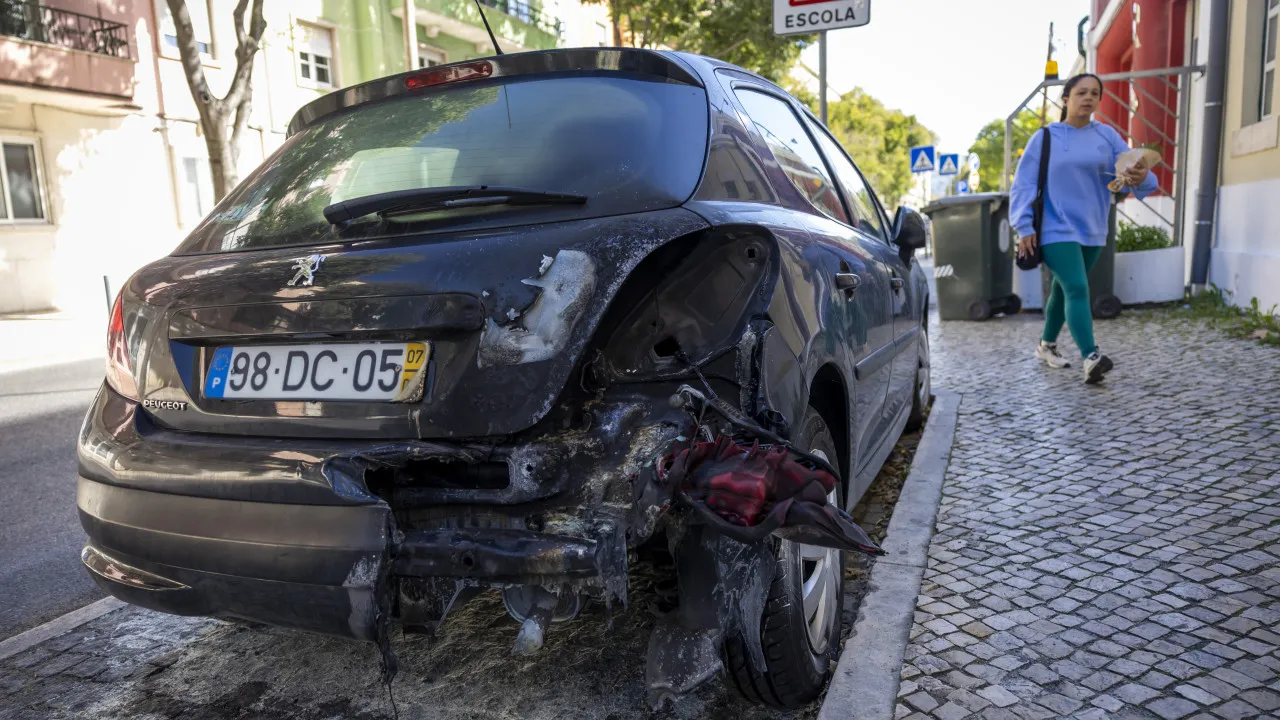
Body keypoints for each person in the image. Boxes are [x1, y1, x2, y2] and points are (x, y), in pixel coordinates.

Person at [1010, 73, 1157, 384]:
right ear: (1066, 98)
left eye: (1095, 93)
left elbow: (1138, 175)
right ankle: (1091, 357)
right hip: (1054, 226)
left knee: (1064, 289)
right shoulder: (1046, 137)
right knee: (1077, 287)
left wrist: (1140, 175)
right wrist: (1024, 227)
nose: (1089, 98)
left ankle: (1046, 345)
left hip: (1092, 227)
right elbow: (1023, 185)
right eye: (1081, 92)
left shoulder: (1107, 136)